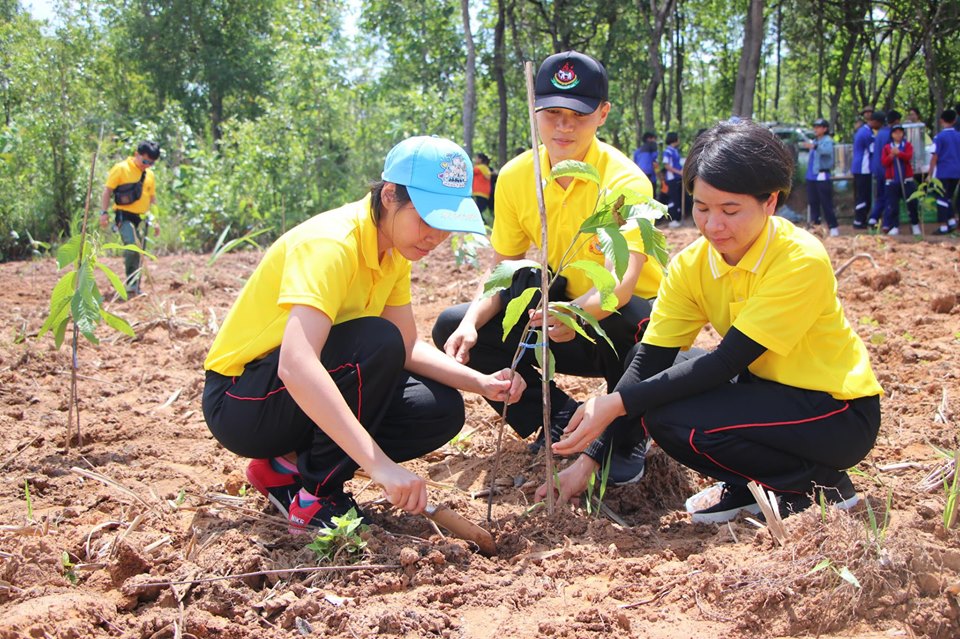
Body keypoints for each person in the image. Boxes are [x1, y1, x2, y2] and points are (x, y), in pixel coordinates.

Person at [537, 119, 882, 523]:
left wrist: (614, 403)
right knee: (650, 374)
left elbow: (726, 362)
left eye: (730, 210)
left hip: (834, 413)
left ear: (769, 202)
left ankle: (813, 485)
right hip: (764, 392)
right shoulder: (693, 264)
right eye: (701, 208)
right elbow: (651, 358)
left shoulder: (798, 259)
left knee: (669, 416)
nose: (713, 225)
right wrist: (589, 462)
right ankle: (751, 484)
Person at [202, 136, 524, 533]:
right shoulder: (331, 245)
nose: (434, 238)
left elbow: (406, 347)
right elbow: (296, 365)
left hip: (282, 399)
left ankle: (282, 470)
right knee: (375, 340)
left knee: (437, 408)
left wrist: (481, 382)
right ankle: (318, 496)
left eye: (446, 226)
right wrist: (380, 466)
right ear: (389, 195)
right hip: (242, 401)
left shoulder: (393, 251)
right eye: (426, 219)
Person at [432, 50, 664, 485]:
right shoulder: (517, 176)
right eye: (552, 113)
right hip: (560, 319)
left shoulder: (623, 181)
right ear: (535, 112)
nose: (563, 126)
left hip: (622, 331)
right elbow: (502, 269)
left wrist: (576, 313)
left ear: (603, 114)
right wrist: (470, 322)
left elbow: (623, 283)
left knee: (633, 319)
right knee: (454, 325)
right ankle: (558, 417)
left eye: (578, 115)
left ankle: (624, 433)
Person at [99, 141, 161, 297]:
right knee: (132, 245)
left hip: (141, 218)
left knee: (139, 251)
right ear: (136, 155)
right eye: (144, 161)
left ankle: (135, 286)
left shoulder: (150, 175)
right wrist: (103, 213)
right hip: (124, 216)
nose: (146, 165)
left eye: (151, 163)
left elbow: (152, 199)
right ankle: (131, 284)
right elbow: (107, 191)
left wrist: (155, 220)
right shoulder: (121, 169)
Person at [881, 124, 921, 236]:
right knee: (893, 204)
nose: (898, 134)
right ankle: (894, 226)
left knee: (912, 203)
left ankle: (915, 224)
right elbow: (884, 162)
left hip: (906, 180)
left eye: (900, 132)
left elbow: (908, 156)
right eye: (895, 132)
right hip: (892, 181)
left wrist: (900, 153)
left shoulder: (907, 145)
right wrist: (891, 156)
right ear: (892, 135)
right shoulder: (887, 147)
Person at [804, 118, 838, 236]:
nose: (816, 129)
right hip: (811, 176)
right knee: (813, 201)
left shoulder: (827, 140)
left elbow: (827, 151)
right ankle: (815, 226)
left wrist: (814, 147)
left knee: (826, 202)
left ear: (825, 129)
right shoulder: (814, 141)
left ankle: (833, 226)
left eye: (818, 127)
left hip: (822, 175)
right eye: (815, 127)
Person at [928, 109, 960, 235]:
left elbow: (934, 156)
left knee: (941, 198)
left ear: (941, 120)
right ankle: (951, 221)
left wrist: (930, 173)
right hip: (956, 172)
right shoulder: (958, 136)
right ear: (955, 120)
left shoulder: (939, 137)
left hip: (943, 172)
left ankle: (943, 226)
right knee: (948, 196)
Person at [851, 111, 883, 229]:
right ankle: (859, 220)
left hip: (860, 168)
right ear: (874, 122)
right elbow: (873, 151)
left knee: (862, 196)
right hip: (863, 168)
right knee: (864, 196)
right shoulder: (867, 134)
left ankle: (860, 219)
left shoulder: (863, 131)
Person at [869, 110, 900, 228]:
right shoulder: (890, 134)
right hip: (887, 169)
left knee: (880, 195)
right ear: (897, 121)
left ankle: (873, 218)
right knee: (889, 197)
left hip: (877, 168)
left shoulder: (880, 133)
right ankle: (887, 224)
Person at [662, 132, 684, 228]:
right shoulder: (668, 151)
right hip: (671, 178)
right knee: (673, 199)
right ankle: (673, 219)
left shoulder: (675, 151)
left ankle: (677, 218)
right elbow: (666, 165)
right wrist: (678, 172)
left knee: (677, 198)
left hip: (677, 178)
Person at [633, 131, 660, 196]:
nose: (655, 141)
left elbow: (634, 165)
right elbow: (655, 164)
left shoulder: (637, 151)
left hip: (639, 178)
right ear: (649, 139)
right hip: (650, 178)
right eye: (654, 139)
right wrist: (659, 176)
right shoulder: (653, 149)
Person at [472, 152, 493, 225]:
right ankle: (483, 223)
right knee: (479, 209)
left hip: (481, 192)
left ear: (480, 159)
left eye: (476, 158)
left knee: (478, 209)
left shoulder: (480, 167)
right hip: (482, 192)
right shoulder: (483, 167)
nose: (475, 159)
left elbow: (488, 176)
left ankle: (481, 223)